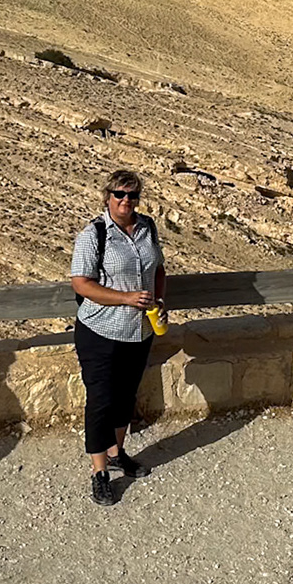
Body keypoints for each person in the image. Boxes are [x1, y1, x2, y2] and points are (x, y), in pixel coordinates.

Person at [69, 169, 167, 506]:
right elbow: (81, 283)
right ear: (107, 196)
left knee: (126, 396)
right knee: (101, 400)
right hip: (101, 330)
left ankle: (116, 452)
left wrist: (160, 300)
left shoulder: (147, 228)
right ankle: (99, 473)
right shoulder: (94, 234)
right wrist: (126, 298)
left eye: (133, 195)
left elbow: (158, 270)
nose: (126, 201)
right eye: (119, 194)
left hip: (139, 330)